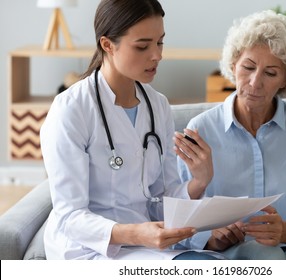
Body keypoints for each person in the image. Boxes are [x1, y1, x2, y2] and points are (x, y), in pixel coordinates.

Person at [40, 0, 220, 260]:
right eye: (142, 46)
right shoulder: (71, 109)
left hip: (144, 243)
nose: (157, 55)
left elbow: (160, 199)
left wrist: (199, 181)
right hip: (86, 249)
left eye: (160, 42)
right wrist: (136, 233)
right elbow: (70, 216)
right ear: (107, 45)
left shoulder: (157, 105)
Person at [175, 10, 286, 260]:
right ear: (233, 66)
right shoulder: (201, 130)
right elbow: (178, 218)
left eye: (270, 73)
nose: (255, 82)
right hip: (237, 253)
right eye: (248, 67)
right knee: (263, 251)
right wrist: (210, 238)